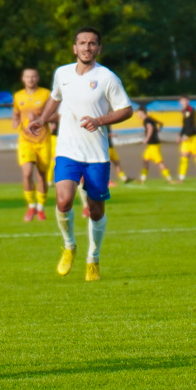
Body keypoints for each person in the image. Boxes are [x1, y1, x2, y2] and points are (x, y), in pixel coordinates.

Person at [28, 27, 133, 282]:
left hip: (96, 154)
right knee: (63, 201)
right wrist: (42, 119)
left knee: (96, 211)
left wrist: (100, 120)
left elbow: (126, 110)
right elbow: (55, 97)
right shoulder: (62, 73)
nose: (87, 47)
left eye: (93, 43)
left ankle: (93, 259)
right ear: (75, 48)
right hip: (67, 151)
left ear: (99, 49)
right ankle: (69, 245)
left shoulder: (107, 77)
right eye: (83, 43)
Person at [12, 68, 52, 221]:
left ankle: (41, 208)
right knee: (27, 173)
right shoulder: (18, 96)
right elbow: (16, 113)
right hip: (25, 141)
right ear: (23, 79)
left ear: (38, 78)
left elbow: (55, 115)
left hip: (43, 140)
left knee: (42, 175)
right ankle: (31, 206)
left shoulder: (46, 94)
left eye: (33, 76)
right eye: (27, 77)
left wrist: (39, 117)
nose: (30, 79)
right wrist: (15, 121)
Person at [136, 106, 173, 183]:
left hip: (153, 144)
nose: (137, 115)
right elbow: (160, 123)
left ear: (142, 112)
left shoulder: (146, 120)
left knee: (159, 162)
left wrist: (147, 139)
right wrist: (159, 129)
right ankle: (142, 179)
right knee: (145, 160)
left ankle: (169, 179)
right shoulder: (150, 119)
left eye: (138, 113)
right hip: (151, 145)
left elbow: (150, 128)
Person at [177, 95, 196, 182]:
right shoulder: (183, 111)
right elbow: (185, 125)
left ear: (188, 101)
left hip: (193, 137)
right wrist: (180, 135)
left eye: (185, 100)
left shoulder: (191, 110)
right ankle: (181, 178)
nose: (184, 102)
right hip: (186, 137)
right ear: (180, 102)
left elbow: (193, 124)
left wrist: (188, 134)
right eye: (182, 101)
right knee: (184, 156)